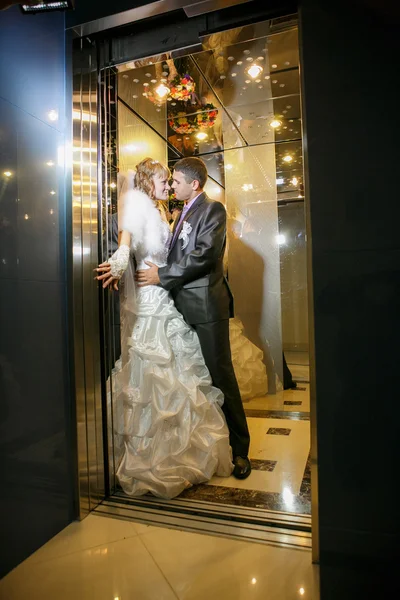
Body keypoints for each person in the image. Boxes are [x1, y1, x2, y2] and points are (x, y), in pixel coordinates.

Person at [95, 158, 233, 499]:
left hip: (165, 293)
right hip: (149, 297)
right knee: (152, 372)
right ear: (147, 181)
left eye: (170, 181)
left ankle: (178, 447)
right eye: (162, 179)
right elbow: (126, 237)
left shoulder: (161, 209)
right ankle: (149, 453)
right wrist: (118, 259)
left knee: (178, 370)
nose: (167, 185)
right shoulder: (139, 204)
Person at [136, 157, 251, 479]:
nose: (172, 186)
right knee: (197, 379)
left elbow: (205, 254)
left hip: (205, 306)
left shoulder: (213, 209)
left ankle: (241, 449)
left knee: (220, 375)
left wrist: (163, 276)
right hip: (179, 305)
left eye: (176, 181)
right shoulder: (181, 212)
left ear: (194, 184)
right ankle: (212, 442)